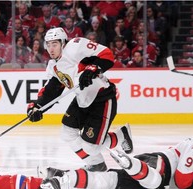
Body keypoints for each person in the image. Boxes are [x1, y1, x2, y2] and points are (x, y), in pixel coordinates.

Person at [26, 27, 133, 172]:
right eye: (49, 44)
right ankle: (96, 164)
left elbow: (107, 54)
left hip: (102, 98)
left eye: (55, 44)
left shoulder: (76, 46)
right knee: (67, 133)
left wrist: (92, 69)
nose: (51, 49)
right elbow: (50, 91)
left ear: (63, 43)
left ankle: (122, 135)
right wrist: (37, 107)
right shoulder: (54, 66)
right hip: (82, 100)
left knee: (91, 147)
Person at [46, 126, 193, 189]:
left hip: (149, 165)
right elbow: (182, 181)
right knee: (155, 182)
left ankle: (62, 177)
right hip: (159, 165)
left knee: (108, 182)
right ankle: (130, 164)